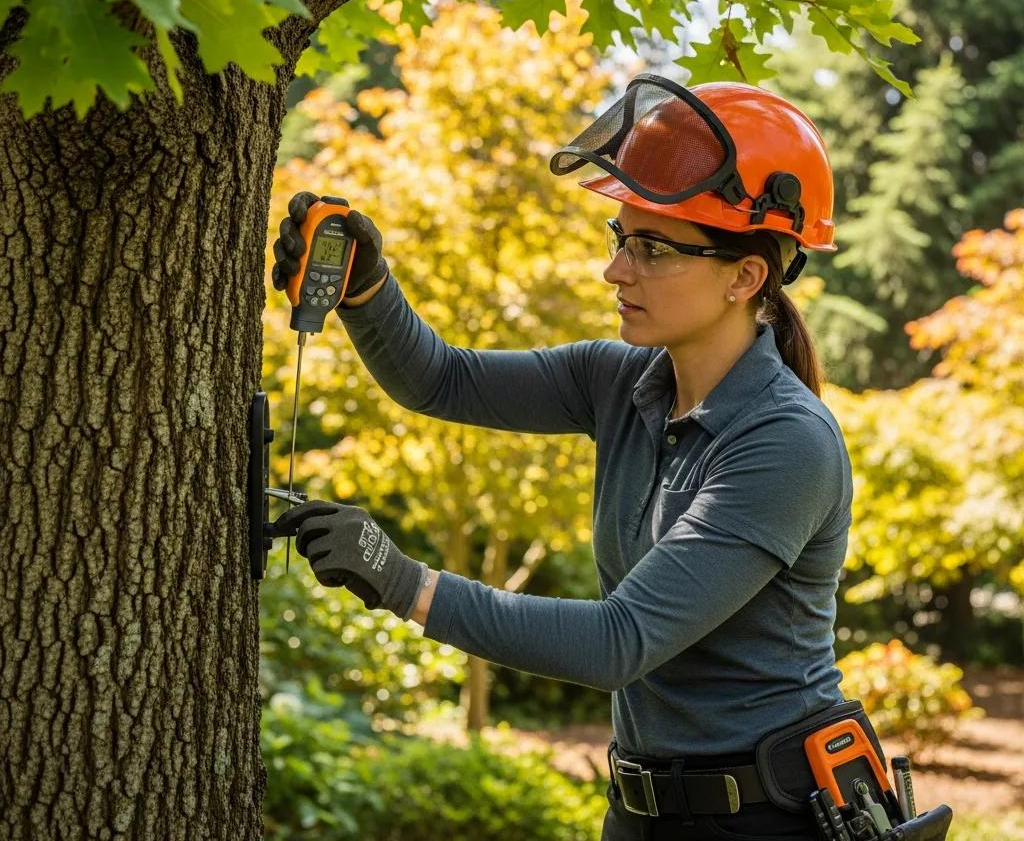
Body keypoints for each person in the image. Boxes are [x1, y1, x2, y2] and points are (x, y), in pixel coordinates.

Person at [270, 77, 855, 840]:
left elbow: (618, 643)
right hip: (641, 811)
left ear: (746, 277)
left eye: (653, 249)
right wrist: (367, 289)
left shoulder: (786, 443)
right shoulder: (620, 381)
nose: (617, 271)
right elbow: (439, 379)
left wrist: (398, 578)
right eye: (622, 239)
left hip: (768, 819)